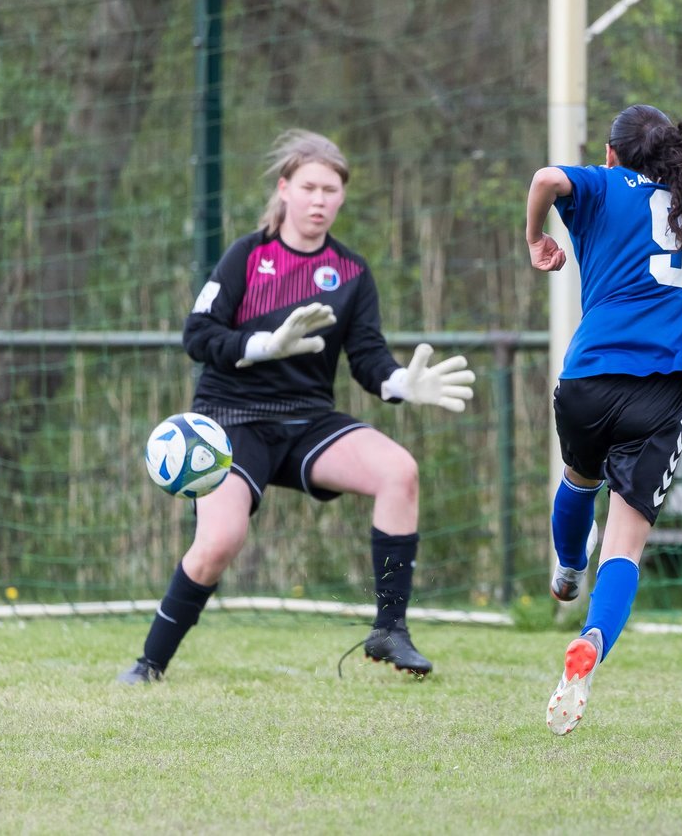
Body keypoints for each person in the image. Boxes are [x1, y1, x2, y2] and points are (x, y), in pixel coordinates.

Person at [118, 129, 475, 684]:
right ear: (284, 190)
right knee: (219, 542)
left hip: (308, 419)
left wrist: (403, 383)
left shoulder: (352, 274)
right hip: (231, 420)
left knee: (399, 471)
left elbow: (368, 360)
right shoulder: (246, 256)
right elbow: (197, 334)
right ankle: (149, 664)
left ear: (341, 197)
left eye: (331, 190)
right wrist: (262, 346)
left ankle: (389, 631)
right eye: (309, 186)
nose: (319, 200)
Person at [525, 104, 682, 734]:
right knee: (626, 544)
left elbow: (545, 180)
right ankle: (590, 643)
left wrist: (535, 237)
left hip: (587, 378)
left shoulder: (602, 185)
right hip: (659, 389)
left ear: (610, 155)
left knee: (580, 477)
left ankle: (565, 571)